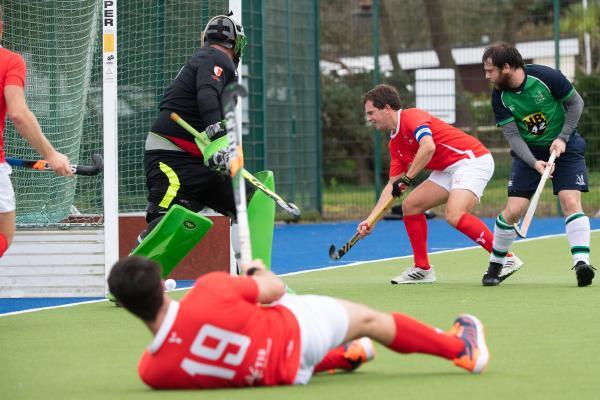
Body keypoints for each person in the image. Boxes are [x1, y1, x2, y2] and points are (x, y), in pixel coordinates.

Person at [108, 255, 489, 389]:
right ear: (162, 286)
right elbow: (273, 289)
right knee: (370, 319)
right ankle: (462, 349)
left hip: (284, 373)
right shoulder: (208, 291)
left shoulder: (151, 372)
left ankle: (343, 356)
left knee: (259, 335)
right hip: (300, 332)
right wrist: (256, 270)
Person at [359, 84, 522, 284]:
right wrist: (371, 219)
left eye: (371, 112)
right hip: (447, 169)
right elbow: (392, 185)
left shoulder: (411, 117)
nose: (369, 118)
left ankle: (505, 258)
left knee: (454, 214)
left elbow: (428, 147)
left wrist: (408, 178)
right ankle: (422, 269)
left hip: (472, 160)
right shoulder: (395, 144)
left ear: (386, 108)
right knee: (410, 206)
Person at [481, 42, 594, 287]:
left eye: (490, 70)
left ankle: (582, 263)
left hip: (566, 145)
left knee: (570, 201)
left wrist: (562, 137)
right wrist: (533, 163)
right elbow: (512, 136)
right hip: (529, 153)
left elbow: (576, 104)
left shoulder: (546, 77)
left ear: (507, 67)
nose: (487, 75)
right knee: (513, 210)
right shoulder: (499, 96)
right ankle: (497, 264)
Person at [0, 6, 72, 259]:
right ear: (1, 26)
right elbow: (18, 114)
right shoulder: (9, 61)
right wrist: (50, 154)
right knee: (3, 236)